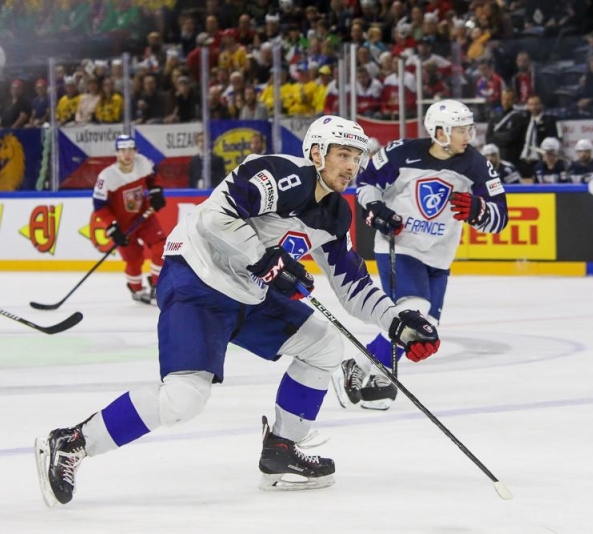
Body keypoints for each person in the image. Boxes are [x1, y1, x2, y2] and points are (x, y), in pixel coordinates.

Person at [35, 116, 441, 505]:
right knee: (184, 398)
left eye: (356, 157)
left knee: (324, 345)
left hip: (249, 293)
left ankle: (281, 449)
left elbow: (354, 286)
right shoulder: (279, 173)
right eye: (343, 155)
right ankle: (73, 442)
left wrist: (397, 321)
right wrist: (264, 258)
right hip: (197, 279)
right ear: (317, 153)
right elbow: (215, 216)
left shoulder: (336, 214)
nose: (351, 166)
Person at [334, 100, 509, 410]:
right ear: (440, 132)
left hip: (440, 255)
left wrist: (479, 210)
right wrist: (375, 209)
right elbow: (367, 183)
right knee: (414, 310)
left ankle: (378, 379)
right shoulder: (402, 152)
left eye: (468, 129)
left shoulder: (477, 165)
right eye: (460, 130)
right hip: (401, 246)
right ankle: (358, 366)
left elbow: (500, 217)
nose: (468, 136)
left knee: (424, 325)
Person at [91, 135, 166, 304]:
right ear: (117, 153)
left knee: (161, 246)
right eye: (123, 150)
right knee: (134, 258)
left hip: (144, 216)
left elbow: (153, 178)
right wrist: (112, 226)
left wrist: (156, 192)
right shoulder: (107, 177)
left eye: (131, 150)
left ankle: (157, 286)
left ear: (136, 151)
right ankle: (136, 289)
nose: (127, 154)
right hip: (123, 224)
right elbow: (99, 205)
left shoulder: (143, 163)